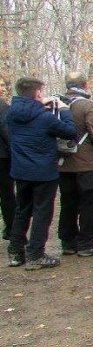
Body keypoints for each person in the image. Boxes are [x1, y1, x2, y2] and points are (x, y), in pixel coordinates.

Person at [5, 77, 77, 269]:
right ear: (38, 94)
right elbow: (70, 131)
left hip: (20, 170)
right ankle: (35, 254)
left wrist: (38, 105)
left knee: (22, 210)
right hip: (44, 171)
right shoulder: (45, 117)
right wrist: (64, 109)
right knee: (42, 212)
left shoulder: (11, 113)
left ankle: (15, 251)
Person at [57, 71, 93, 257]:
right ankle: (87, 242)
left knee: (68, 203)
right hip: (86, 165)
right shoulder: (88, 106)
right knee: (89, 203)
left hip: (63, 164)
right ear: (85, 85)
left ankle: (68, 242)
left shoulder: (56, 105)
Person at [0, 77, 13, 241]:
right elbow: (7, 131)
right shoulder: (3, 107)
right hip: (2, 158)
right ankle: (10, 229)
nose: (2, 88)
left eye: (3, 85)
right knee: (7, 195)